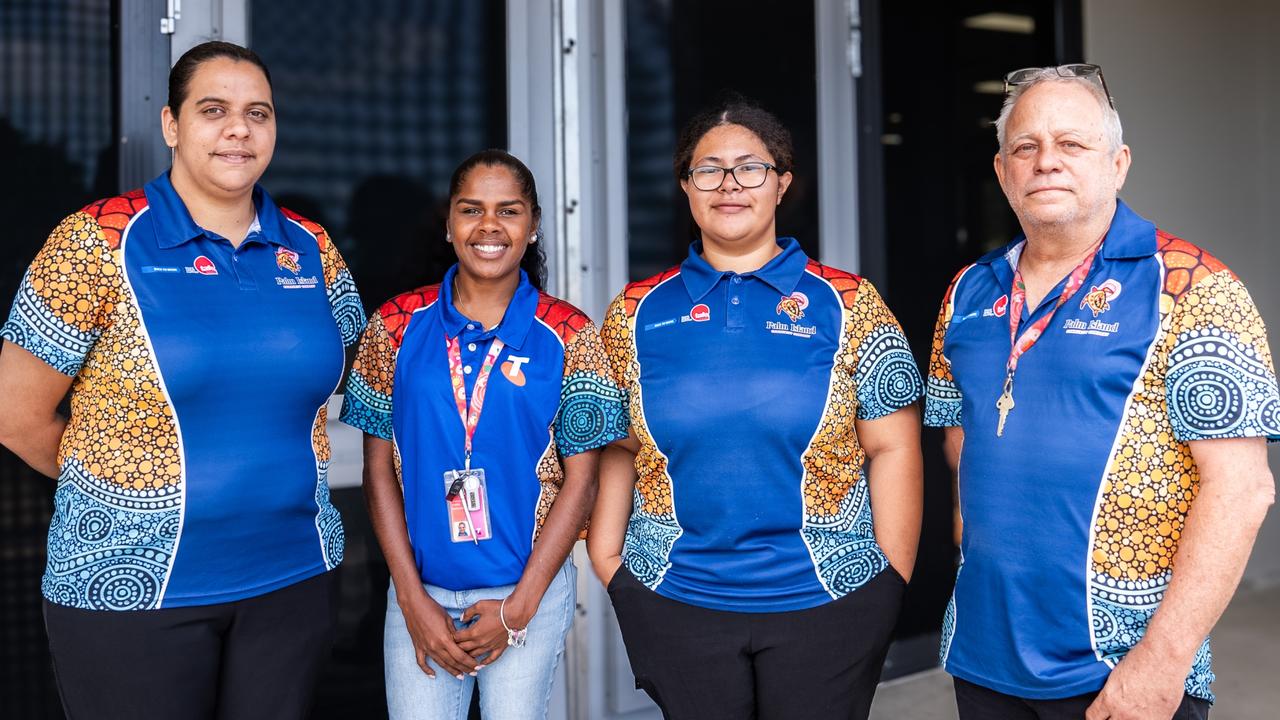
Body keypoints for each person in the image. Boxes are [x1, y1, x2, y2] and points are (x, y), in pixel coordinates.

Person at [0, 41, 364, 720]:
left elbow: (346, 383)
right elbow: (15, 416)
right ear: (171, 124)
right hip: (134, 594)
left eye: (259, 113)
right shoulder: (95, 242)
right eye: (214, 110)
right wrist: (129, 486)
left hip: (294, 580)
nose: (239, 129)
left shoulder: (313, 250)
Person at [924, 63, 1279, 720]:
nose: (1045, 162)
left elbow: (1243, 488)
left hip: (1123, 668)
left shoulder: (1195, 288)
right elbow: (960, 445)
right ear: (1002, 174)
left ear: (1118, 164)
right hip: (982, 656)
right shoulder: (967, 292)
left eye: (1072, 144)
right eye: (1025, 148)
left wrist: (1162, 662)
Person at [587, 97, 925, 720]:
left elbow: (893, 446)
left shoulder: (851, 303)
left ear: (782, 183)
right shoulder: (635, 312)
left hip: (829, 598)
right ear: (687, 188)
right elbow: (617, 447)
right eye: (708, 169)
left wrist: (889, 580)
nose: (729, 185)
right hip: (676, 596)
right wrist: (611, 565)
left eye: (750, 168)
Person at [339, 149, 627, 720]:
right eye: (471, 209)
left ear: (534, 224)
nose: (489, 226)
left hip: (526, 594)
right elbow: (377, 475)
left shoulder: (570, 334)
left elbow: (584, 480)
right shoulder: (394, 326)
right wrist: (412, 601)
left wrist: (516, 611)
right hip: (420, 594)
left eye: (509, 210)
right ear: (448, 223)